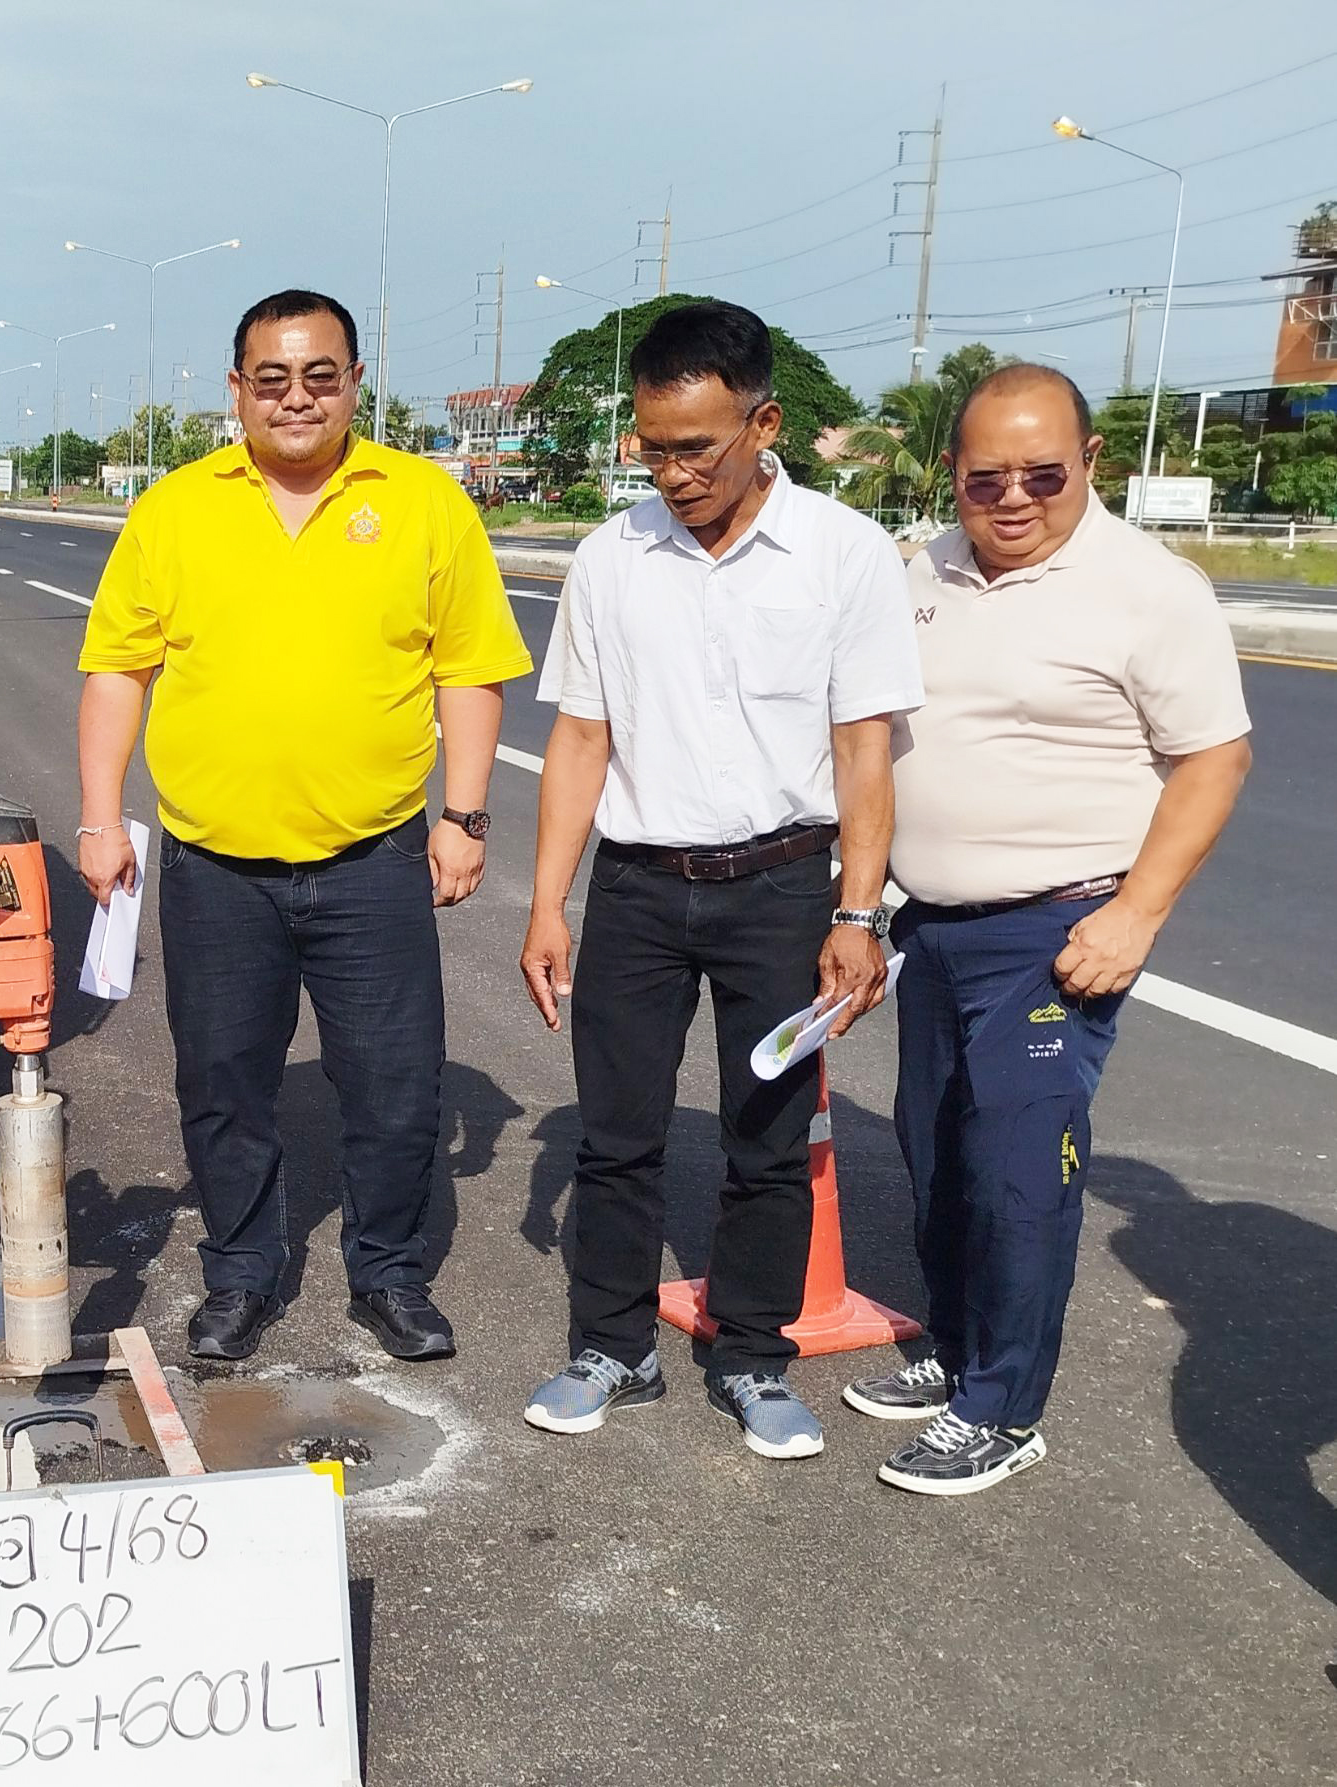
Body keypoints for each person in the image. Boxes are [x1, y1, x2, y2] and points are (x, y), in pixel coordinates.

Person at [76, 287, 531, 1363]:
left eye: (320, 376)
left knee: (396, 1087)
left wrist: (464, 814)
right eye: (271, 379)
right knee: (222, 1084)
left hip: (373, 860)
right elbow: (118, 670)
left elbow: (469, 669)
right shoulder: (176, 508)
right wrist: (100, 819)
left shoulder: (422, 501)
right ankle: (240, 1274)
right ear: (237, 389)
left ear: (354, 383)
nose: (296, 398)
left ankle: (389, 1273)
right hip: (215, 867)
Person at [519, 299, 922, 1458]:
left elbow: (865, 751)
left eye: (697, 446)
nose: (675, 473)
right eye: (653, 448)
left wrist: (858, 912)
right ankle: (612, 1348)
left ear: (764, 424)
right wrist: (549, 903)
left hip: (783, 893)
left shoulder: (843, 554)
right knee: (616, 1136)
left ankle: (752, 1357)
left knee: (769, 1139)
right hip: (638, 891)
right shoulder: (613, 558)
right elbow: (581, 740)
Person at [844, 363, 1251, 1494]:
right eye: (986, 478)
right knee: (936, 1154)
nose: (1013, 498)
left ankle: (1005, 1409)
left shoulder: (1147, 588)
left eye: (1043, 474)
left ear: (1090, 463)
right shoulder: (920, 570)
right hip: (933, 928)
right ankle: (959, 1350)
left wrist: (1137, 914)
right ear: (952, 473)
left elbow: (1215, 760)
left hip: (1058, 932)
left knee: (1019, 1170)